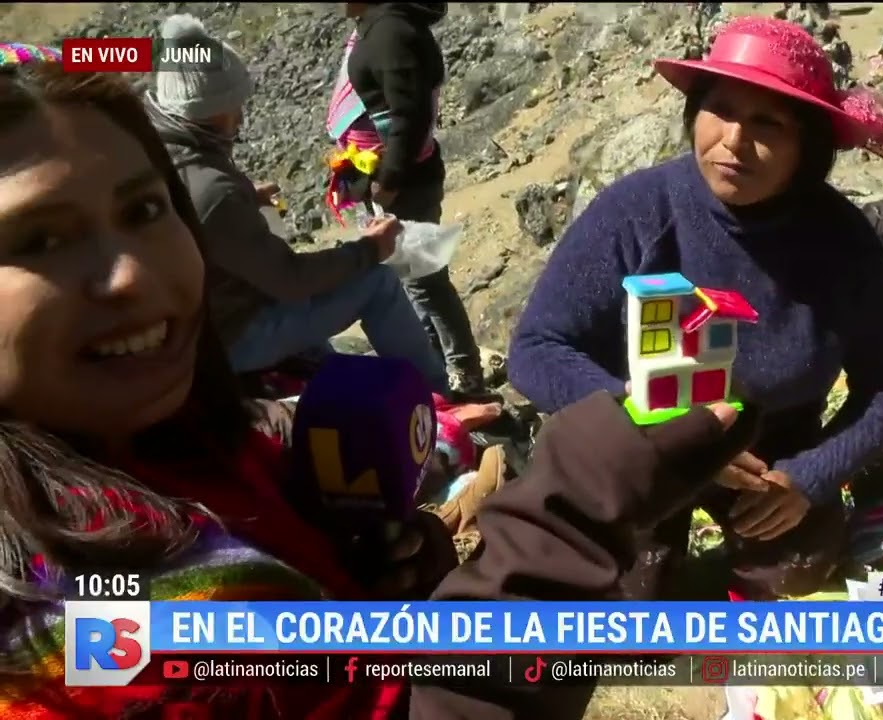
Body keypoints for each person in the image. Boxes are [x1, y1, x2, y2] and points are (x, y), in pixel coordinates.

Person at [0, 56, 759, 720]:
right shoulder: (69, 638)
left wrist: (360, 587)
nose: (130, 273)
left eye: (142, 210)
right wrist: (572, 507)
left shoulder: (197, 438)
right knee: (383, 290)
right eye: (38, 241)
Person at [507, 16, 883, 602]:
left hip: (769, 454)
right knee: (631, 599)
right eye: (720, 109)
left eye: (767, 123)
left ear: (808, 146)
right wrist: (656, 433)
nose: (732, 139)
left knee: (795, 572)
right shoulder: (635, 213)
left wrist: (810, 477)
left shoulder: (842, 242)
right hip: (639, 437)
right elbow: (537, 349)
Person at [143, 14, 454, 395]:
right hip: (234, 337)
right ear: (212, 110)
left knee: (320, 312)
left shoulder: (160, 151)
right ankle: (437, 398)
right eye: (234, 105)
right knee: (379, 282)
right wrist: (370, 249)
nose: (240, 115)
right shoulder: (213, 189)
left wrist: (245, 201)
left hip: (205, 324)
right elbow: (290, 280)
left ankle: (325, 377)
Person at [334, 3, 494, 400]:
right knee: (409, 279)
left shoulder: (390, 32)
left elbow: (410, 113)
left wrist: (389, 180)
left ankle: (464, 375)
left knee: (425, 281)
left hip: (405, 183)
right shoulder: (381, 25)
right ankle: (435, 366)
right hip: (398, 177)